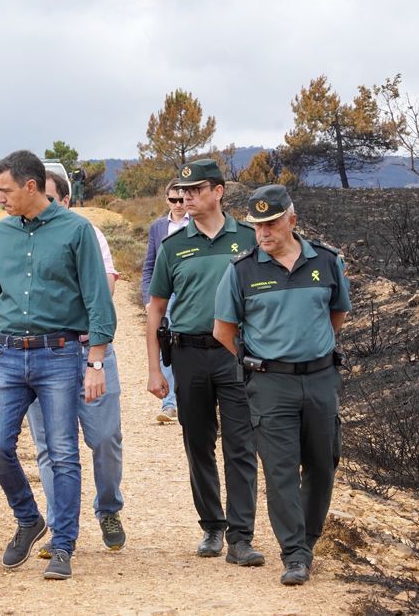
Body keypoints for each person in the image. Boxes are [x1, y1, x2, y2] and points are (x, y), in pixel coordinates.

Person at [0, 149, 116, 581]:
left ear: (31, 187)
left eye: (6, 190)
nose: (0, 199)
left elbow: (97, 299)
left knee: (62, 452)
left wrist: (96, 363)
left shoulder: (77, 231)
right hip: (9, 355)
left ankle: (64, 544)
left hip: (60, 355)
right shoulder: (0, 235)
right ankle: (29, 518)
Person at [213, 185, 350, 587]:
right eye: (257, 226)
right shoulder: (241, 271)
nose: (263, 233)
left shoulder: (326, 261)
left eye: (271, 224)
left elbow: (337, 314)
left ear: (291, 219)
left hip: (321, 379)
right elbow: (223, 330)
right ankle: (294, 553)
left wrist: (313, 349)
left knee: (323, 465)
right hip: (271, 384)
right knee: (280, 471)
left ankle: (307, 541)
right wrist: (256, 360)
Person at [144, 159, 265, 567]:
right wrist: (153, 369)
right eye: (183, 192)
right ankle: (212, 525)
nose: (187, 198)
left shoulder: (249, 239)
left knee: (241, 445)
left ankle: (241, 536)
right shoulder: (174, 246)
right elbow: (156, 309)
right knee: (198, 443)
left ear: (218, 192)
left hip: (236, 355)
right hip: (188, 354)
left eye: (196, 190)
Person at [26, 168, 126, 558]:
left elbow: (106, 289)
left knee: (103, 438)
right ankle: (60, 526)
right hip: (40, 353)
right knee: (50, 446)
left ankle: (109, 509)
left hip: (88, 350)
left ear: (65, 201)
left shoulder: (88, 234)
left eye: (48, 199)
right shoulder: (21, 238)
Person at [141, 179, 188, 423]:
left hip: (190, 296)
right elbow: (149, 265)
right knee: (165, 348)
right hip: (165, 296)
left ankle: (191, 402)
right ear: (166, 200)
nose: (179, 204)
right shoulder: (158, 227)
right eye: (174, 199)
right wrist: (148, 298)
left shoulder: (198, 225)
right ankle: (169, 404)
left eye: (182, 199)